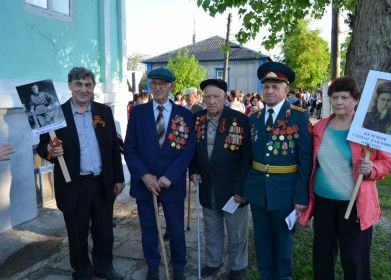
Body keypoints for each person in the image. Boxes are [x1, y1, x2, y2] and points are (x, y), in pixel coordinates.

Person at [299, 76, 391, 280]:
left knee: (354, 258)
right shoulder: (319, 127)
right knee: (323, 255)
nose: (338, 102)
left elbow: (388, 163)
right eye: (334, 97)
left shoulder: (368, 130)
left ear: (357, 100)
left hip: (354, 205)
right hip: (323, 202)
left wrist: (372, 169)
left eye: (344, 97)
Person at [37, 67, 125, 280]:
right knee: (77, 233)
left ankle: (104, 266)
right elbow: (42, 146)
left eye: (88, 85)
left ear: (93, 87)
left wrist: (119, 177)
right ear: (70, 86)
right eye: (79, 84)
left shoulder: (103, 112)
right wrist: (51, 151)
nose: (83, 89)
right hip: (73, 184)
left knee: (104, 231)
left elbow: (113, 146)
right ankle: (83, 271)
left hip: (102, 182)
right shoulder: (56, 114)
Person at [124, 67, 195, 280]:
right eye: (154, 84)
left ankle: (179, 265)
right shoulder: (138, 113)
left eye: (163, 84)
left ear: (171, 87)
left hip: (171, 183)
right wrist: (144, 175)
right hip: (145, 183)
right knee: (149, 228)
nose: (158, 87)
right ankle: (153, 265)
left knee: (175, 227)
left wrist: (170, 177)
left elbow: (188, 150)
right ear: (150, 87)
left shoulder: (184, 115)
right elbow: (130, 148)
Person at [244, 61, 312, 279]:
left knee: (283, 240)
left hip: (285, 191)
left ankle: (284, 276)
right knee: (262, 239)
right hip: (258, 191)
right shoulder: (253, 119)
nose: (270, 91)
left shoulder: (299, 116)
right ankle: (266, 275)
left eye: (275, 86)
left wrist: (301, 195)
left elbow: (305, 159)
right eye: (266, 87)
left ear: (286, 90)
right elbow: (247, 157)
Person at [190, 79, 251, 280]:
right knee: (211, 229)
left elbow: (247, 158)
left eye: (216, 96)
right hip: (208, 186)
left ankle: (238, 266)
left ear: (225, 97)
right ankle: (213, 262)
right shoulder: (197, 118)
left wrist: (241, 189)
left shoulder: (239, 120)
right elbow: (193, 152)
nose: (211, 101)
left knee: (236, 233)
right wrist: (194, 170)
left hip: (233, 189)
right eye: (207, 96)